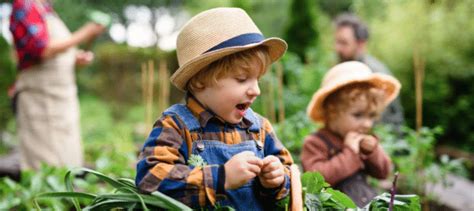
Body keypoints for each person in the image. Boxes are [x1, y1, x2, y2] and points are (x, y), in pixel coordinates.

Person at [135, 8, 293, 210]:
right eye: (242, 79)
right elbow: (151, 178)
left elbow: (289, 172)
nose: (256, 90)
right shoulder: (176, 126)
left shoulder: (259, 129)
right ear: (200, 80)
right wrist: (220, 178)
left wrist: (276, 179)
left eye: (258, 79)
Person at [8, 0, 105, 171]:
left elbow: (56, 52)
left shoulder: (46, 10)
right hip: (40, 95)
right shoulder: (24, 5)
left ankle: (65, 194)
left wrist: (75, 58)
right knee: (44, 161)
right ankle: (42, 198)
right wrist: (84, 33)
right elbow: (42, 49)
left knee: (67, 153)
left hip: (61, 95)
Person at [301, 61, 400, 207]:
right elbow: (316, 181)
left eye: (371, 116)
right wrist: (350, 153)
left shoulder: (363, 140)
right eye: (358, 115)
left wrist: (372, 152)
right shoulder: (316, 143)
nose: (367, 124)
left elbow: (383, 172)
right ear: (332, 112)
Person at [334, 13, 404, 129]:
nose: (337, 48)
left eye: (344, 43)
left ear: (361, 44)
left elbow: (378, 120)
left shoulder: (372, 74)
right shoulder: (345, 67)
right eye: (337, 42)